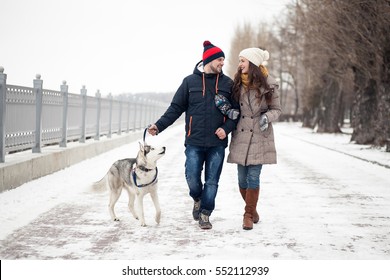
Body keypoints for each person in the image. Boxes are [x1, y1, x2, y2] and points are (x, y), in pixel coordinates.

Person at [148, 40, 236, 230]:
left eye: (223, 59)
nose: (222, 62)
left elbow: (235, 112)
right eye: (220, 59)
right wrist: (159, 126)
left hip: (217, 142)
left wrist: (226, 128)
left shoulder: (228, 84)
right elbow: (176, 108)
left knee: (212, 181)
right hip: (194, 141)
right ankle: (197, 197)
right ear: (209, 59)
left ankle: (205, 213)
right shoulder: (190, 82)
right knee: (192, 177)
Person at [227, 47, 282, 230]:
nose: (239, 64)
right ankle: (253, 210)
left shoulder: (269, 85)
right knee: (242, 179)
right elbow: (231, 104)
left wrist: (267, 117)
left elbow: (277, 109)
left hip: (260, 134)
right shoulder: (236, 84)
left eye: (242, 60)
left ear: (252, 63)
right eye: (239, 60)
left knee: (253, 177)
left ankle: (248, 215)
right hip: (241, 134)